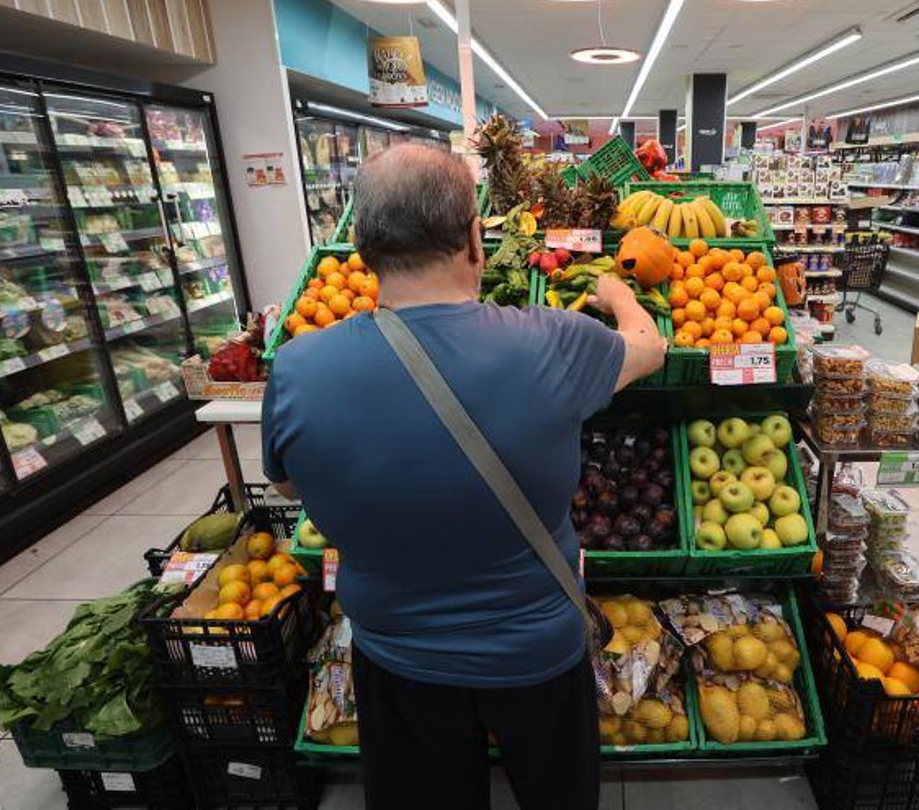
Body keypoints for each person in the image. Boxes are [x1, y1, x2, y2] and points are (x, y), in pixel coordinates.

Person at [261, 144, 665, 810]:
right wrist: (619, 293)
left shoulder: (299, 369)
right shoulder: (555, 341)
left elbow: (292, 487)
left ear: (361, 247)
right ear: (475, 238)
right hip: (538, 655)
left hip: (396, 661)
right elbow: (650, 349)